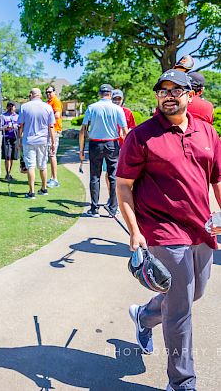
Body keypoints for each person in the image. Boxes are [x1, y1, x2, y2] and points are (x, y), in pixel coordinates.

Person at [116, 69, 221, 391]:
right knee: (180, 310)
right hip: (162, 229)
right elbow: (123, 186)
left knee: (196, 292)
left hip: (201, 227)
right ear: (158, 96)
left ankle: (145, 316)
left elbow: (217, 178)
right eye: (163, 90)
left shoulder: (208, 133)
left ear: (191, 95)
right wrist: (135, 230)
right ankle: (182, 382)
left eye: (177, 90)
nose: (169, 95)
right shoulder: (142, 136)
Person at [79, 84, 128, 217]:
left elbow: (83, 129)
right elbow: (125, 131)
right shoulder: (117, 109)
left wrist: (81, 150)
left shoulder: (92, 107)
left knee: (95, 176)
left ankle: (94, 208)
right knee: (113, 177)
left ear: (100, 94)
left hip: (96, 144)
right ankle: (113, 207)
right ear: (110, 94)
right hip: (112, 144)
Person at [18, 88, 56, 199]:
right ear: (40, 95)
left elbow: (21, 125)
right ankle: (44, 188)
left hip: (29, 140)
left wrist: (19, 140)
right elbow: (51, 127)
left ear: (31, 95)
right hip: (43, 140)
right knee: (43, 165)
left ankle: (32, 191)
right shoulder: (48, 107)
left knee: (30, 166)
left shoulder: (24, 107)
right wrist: (53, 142)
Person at [45, 85, 63, 188]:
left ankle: (55, 179)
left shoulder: (55, 101)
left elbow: (57, 115)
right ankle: (52, 177)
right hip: (49, 130)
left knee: (52, 154)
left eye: (50, 92)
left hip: (54, 130)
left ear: (54, 92)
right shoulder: (48, 102)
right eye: (46, 92)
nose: (48, 94)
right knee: (50, 154)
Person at [0, 101, 19, 181]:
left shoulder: (18, 116)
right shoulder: (3, 116)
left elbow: (20, 126)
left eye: (13, 106)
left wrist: (16, 127)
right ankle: (7, 174)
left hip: (14, 138)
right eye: (9, 106)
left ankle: (9, 173)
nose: (11, 108)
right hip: (6, 137)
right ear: (7, 107)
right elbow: (0, 127)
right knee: (7, 156)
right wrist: (6, 127)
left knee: (12, 157)